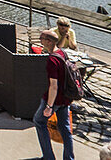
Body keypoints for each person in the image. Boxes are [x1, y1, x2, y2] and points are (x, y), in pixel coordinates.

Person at [33, 28, 75, 160]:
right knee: (65, 128)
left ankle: (48, 157)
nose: (40, 41)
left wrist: (49, 106)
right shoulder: (62, 53)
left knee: (39, 121)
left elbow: (53, 86)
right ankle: (69, 158)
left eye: (42, 39)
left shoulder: (52, 60)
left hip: (54, 100)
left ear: (49, 42)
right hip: (66, 98)